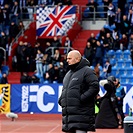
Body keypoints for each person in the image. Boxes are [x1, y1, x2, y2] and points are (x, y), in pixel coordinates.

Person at [58, 50, 99, 133]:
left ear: (77, 59)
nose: (67, 60)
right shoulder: (68, 74)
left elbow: (94, 87)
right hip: (69, 117)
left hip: (82, 115)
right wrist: (61, 100)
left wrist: (81, 98)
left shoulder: (87, 71)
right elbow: (65, 89)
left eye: (69, 58)